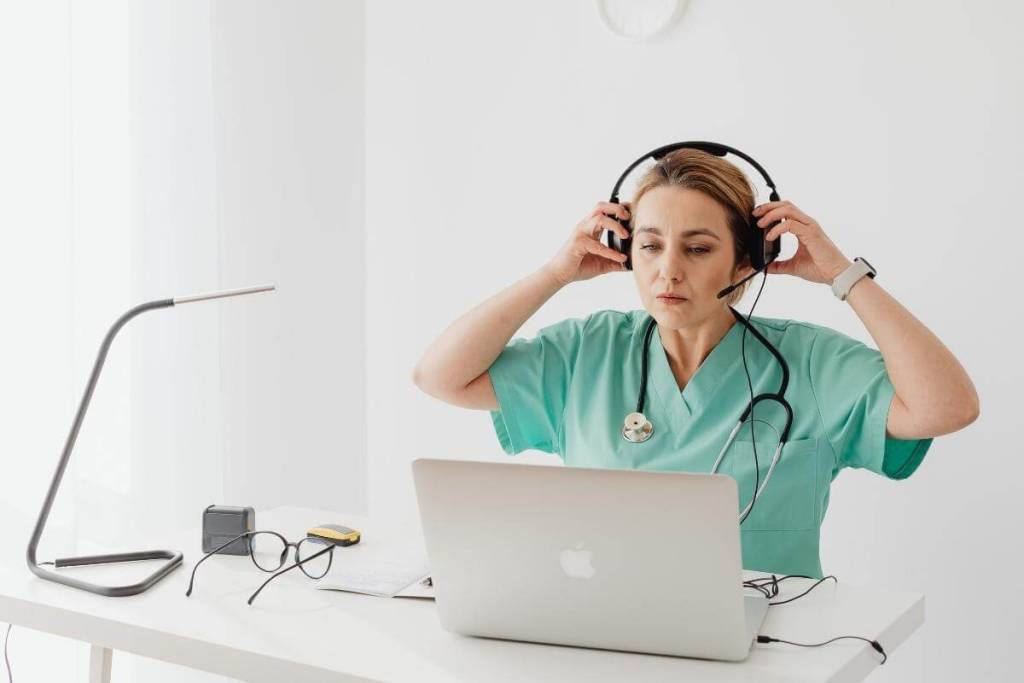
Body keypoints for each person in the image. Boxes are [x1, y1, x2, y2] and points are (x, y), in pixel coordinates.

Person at [412, 148, 979, 577]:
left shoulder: (806, 362)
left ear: (748, 261)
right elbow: (439, 377)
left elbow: (945, 407)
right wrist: (554, 274)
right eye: (651, 245)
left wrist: (841, 274)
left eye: (699, 248)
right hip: (608, 637)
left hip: (768, 649)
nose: (668, 271)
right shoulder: (588, 352)